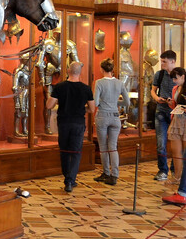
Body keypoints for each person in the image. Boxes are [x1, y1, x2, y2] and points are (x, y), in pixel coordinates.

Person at [47, 61, 95, 193]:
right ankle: (70, 180)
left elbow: (49, 105)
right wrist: (81, 108)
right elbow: (92, 109)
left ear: (68, 71)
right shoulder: (86, 89)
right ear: (80, 72)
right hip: (78, 122)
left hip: (63, 122)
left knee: (64, 151)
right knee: (75, 152)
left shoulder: (59, 87)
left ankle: (67, 177)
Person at [93, 58, 129, 185]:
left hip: (102, 115)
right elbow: (127, 102)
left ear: (102, 69)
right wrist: (115, 103)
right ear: (112, 69)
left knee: (103, 147)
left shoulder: (99, 82)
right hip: (115, 116)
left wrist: (105, 102)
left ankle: (105, 173)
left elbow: (96, 102)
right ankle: (114, 175)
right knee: (113, 147)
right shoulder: (119, 83)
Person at [150, 50, 178, 181]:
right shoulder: (159, 74)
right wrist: (156, 98)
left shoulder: (181, 74)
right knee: (161, 143)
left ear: (173, 61)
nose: (162, 64)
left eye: (164, 61)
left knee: (175, 143)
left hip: (176, 113)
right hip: (161, 111)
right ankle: (162, 170)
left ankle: (175, 168)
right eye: (161, 61)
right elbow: (153, 90)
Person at [162, 67, 186, 205]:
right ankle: (177, 176)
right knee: (176, 151)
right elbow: (175, 106)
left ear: (183, 76)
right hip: (177, 119)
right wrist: (171, 103)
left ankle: (183, 183)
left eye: (176, 78)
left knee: (184, 152)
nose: (174, 81)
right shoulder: (176, 88)